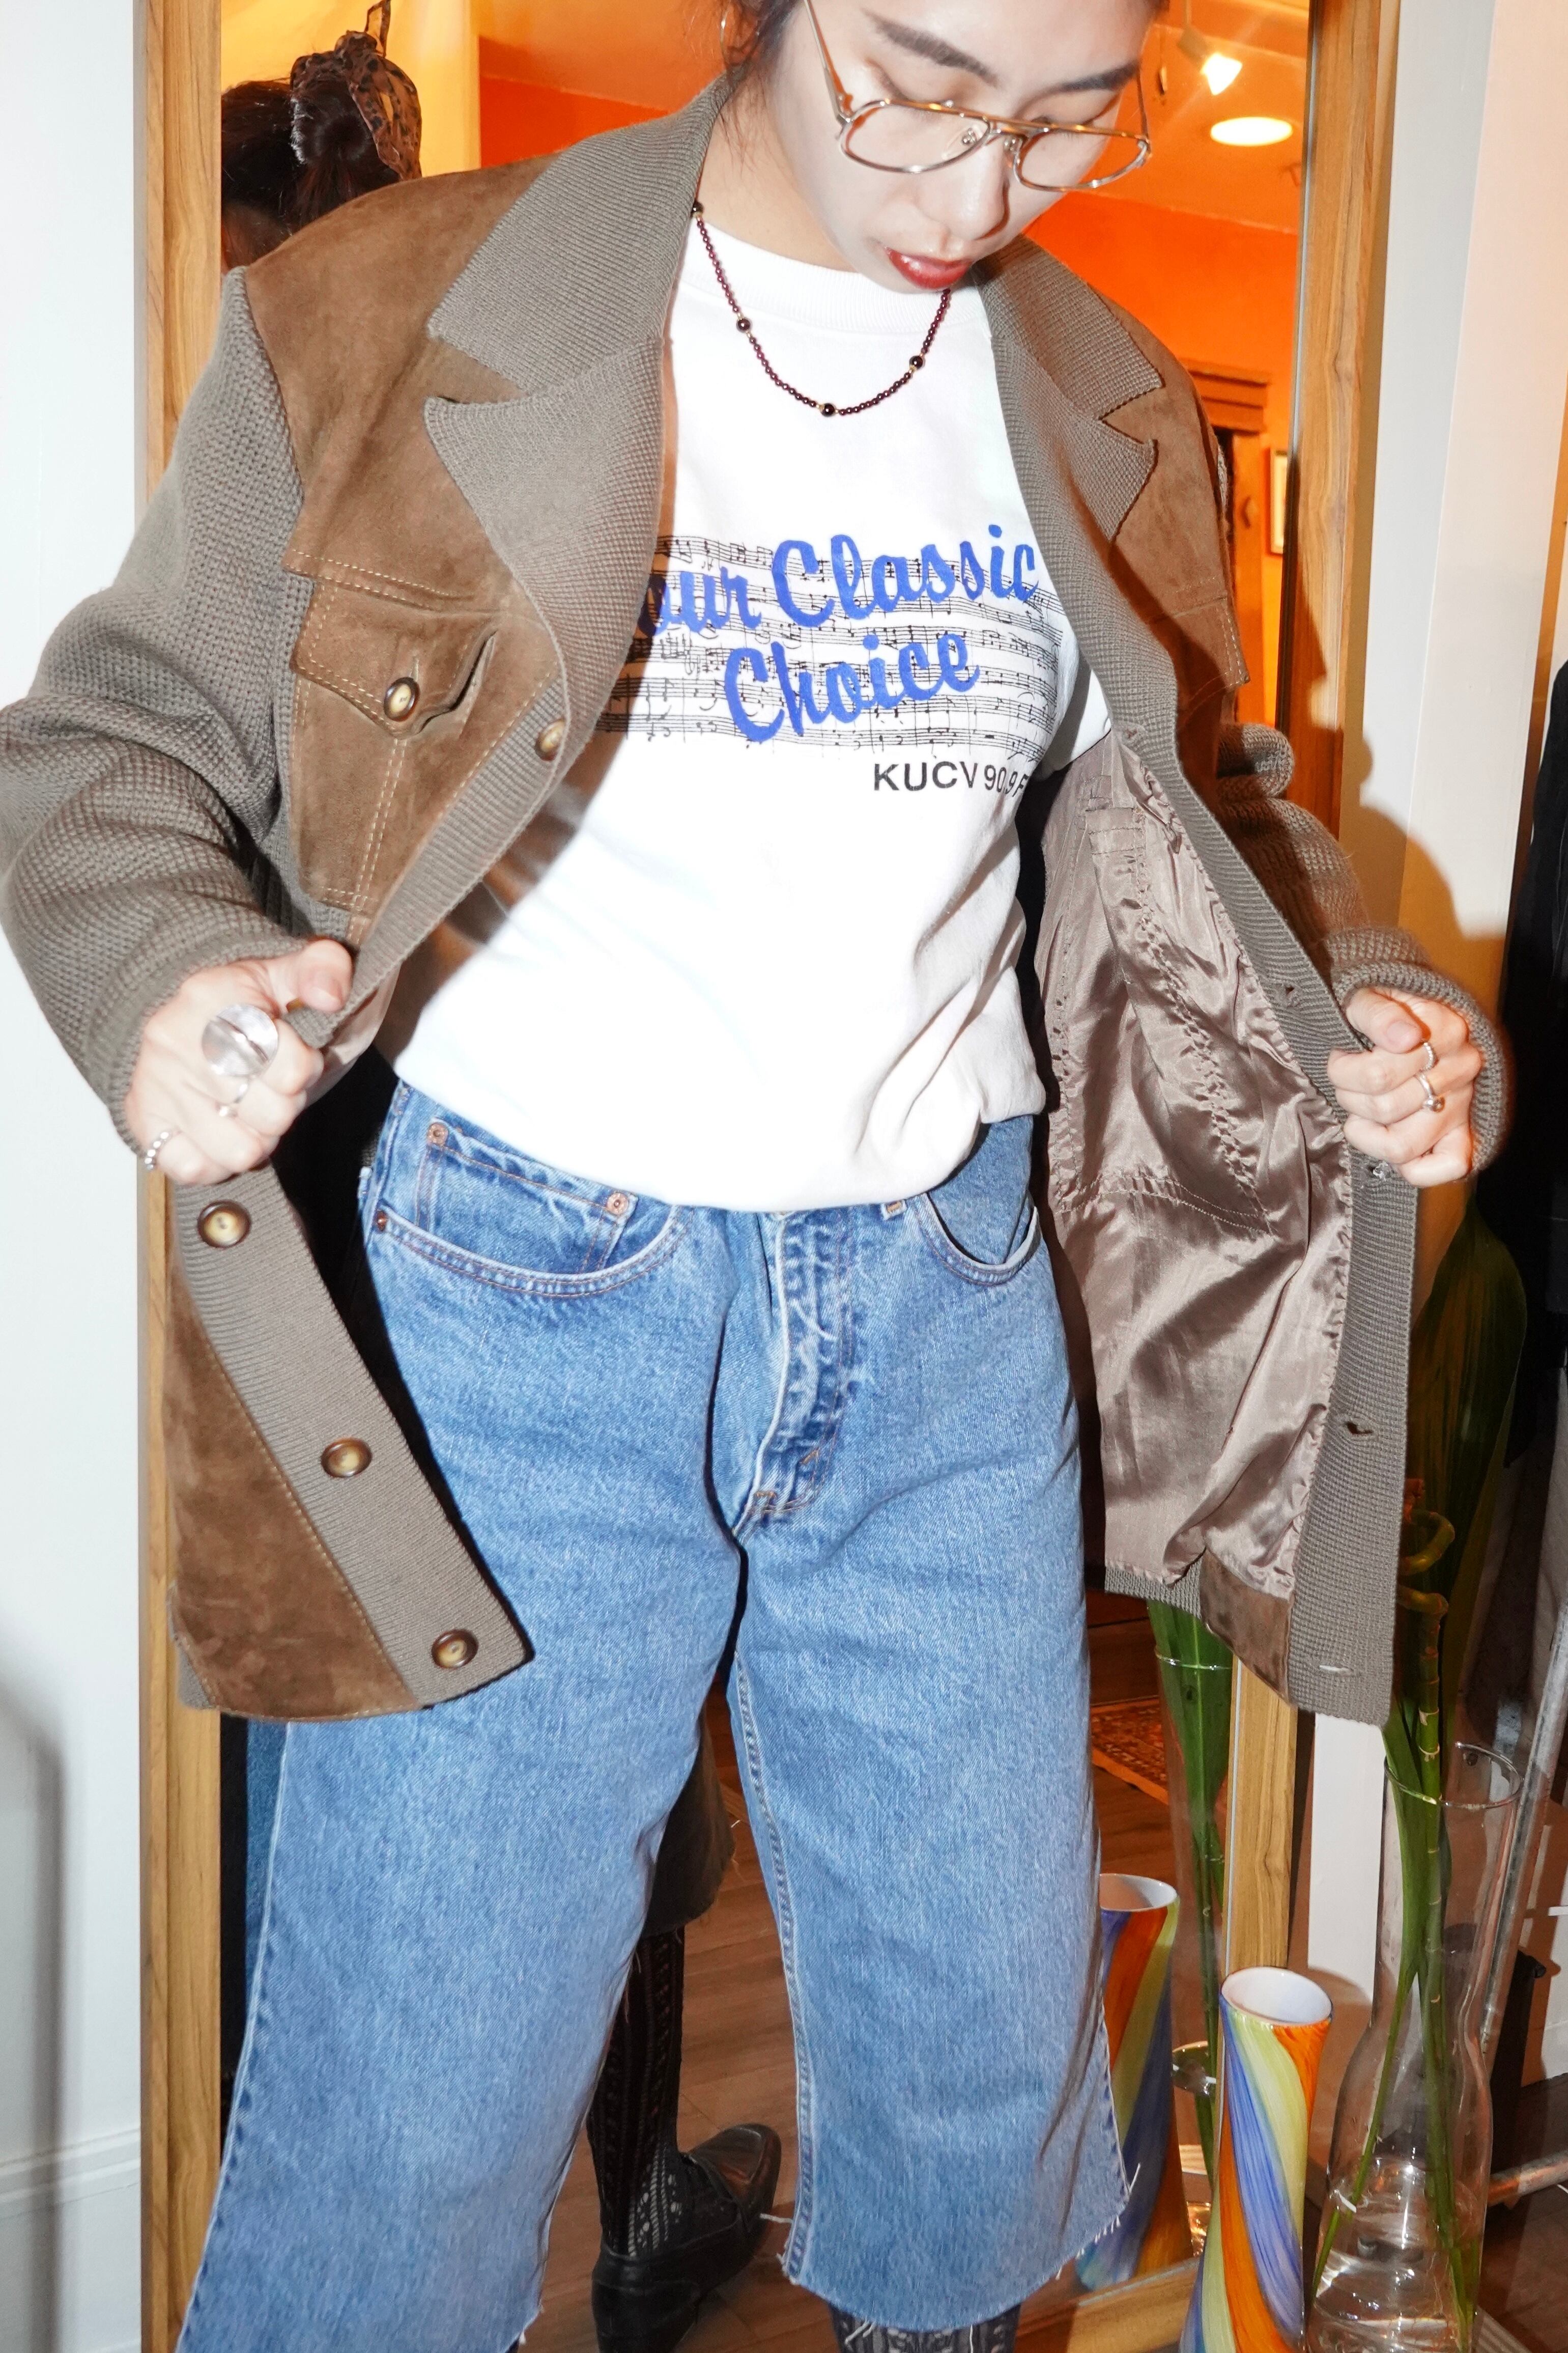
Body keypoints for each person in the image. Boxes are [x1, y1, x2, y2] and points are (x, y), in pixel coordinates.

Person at [0, 2, 1502, 2348]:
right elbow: (108, 741)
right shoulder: (380, 307)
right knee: (408, 2136)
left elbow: (1220, 803)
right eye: (916, 84)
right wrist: (166, 964)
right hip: (517, 1303)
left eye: (1070, 123)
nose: (975, 189)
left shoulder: (1100, 388)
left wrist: (1384, 996)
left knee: (984, 2094)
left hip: (945, 1300)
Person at [220, 18, 781, 2349]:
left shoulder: (534, 437)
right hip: (372, 1249)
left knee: (557, 1821)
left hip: (483, 1213)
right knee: (409, 1854)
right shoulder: (319, 416)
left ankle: (621, 2202)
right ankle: (549, 2219)